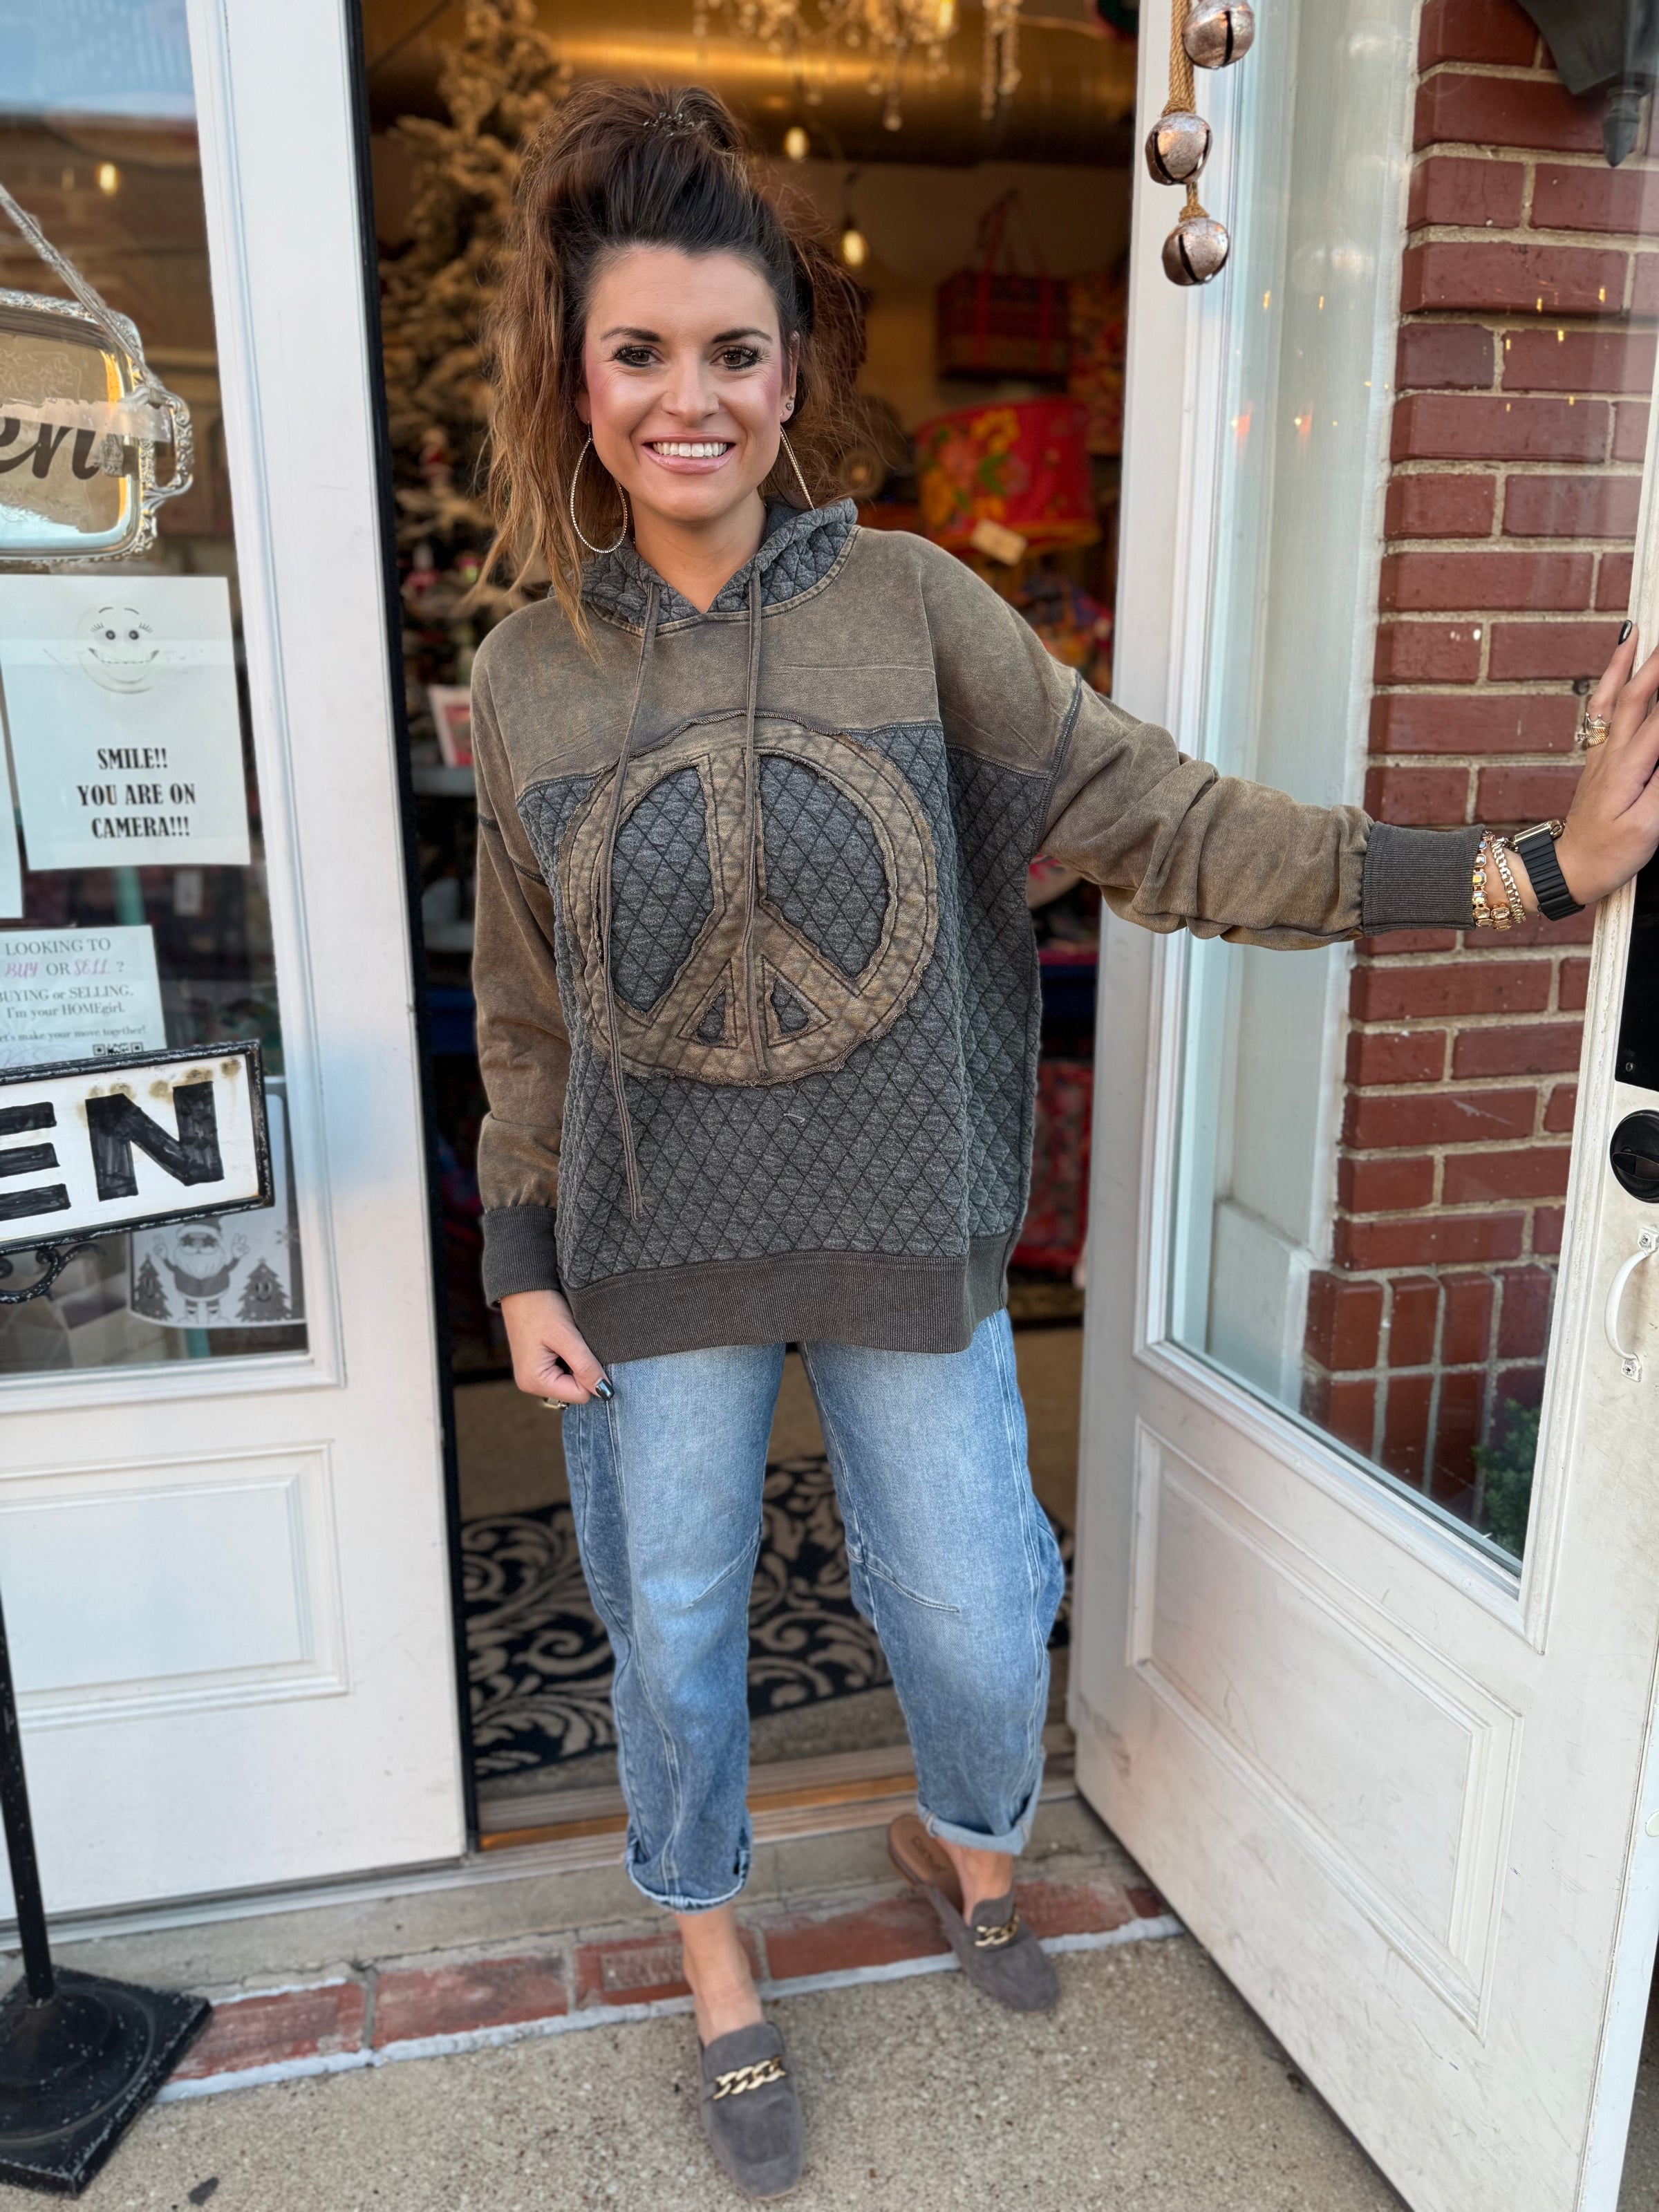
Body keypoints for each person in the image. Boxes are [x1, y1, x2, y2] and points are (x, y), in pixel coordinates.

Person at [467, 79, 1659, 2202]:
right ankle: (716, 1952)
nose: (688, 398)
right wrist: (519, 1254)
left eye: (734, 351)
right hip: (646, 1262)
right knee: (674, 1626)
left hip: (903, 1231)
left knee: (965, 1607)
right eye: (639, 351)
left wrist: (1524, 873)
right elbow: (529, 1008)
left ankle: (960, 1829)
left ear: (792, 375)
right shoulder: (527, 681)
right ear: (578, 379)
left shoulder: (916, 612)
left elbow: (1165, 822)